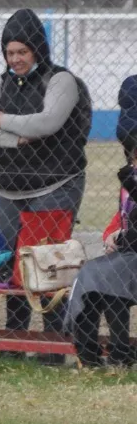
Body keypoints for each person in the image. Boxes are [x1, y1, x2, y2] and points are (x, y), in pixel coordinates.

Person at [0, 8, 92, 358]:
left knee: (48, 265)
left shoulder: (61, 81)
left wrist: (3, 120)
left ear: (37, 49)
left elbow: (48, 122)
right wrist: (15, 139)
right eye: (10, 53)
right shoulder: (0, 82)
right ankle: (14, 343)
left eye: (22, 52)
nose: (15, 59)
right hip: (9, 189)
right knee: (15, 266)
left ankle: (52, 346)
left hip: (55, 185)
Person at [67, 147, 137, 368]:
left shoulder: (131, 184)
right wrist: (112, 236)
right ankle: (87, 355)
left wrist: (124, 238)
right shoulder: (129, 188)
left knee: (111, 280)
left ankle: (120, 356)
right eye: (134, 161)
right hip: (127, 256)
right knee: (89, 275)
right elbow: (120, 220)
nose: (134, 166)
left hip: (130, 258)